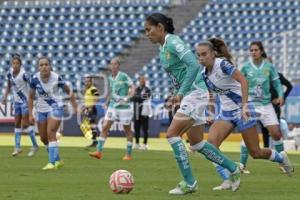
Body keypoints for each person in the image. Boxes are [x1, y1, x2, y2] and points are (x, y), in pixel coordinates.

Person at [144, 13, 241, 195]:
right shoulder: (162, 48)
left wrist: (181, 93)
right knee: (196, 143)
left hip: (195, 93)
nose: (147, 34)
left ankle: (189, 182)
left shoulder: (173, 41)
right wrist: (174, 94)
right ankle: (233, 169)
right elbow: (179, 74)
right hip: (191, 94)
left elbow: (194, 66)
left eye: (148, 29)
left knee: (172, 134)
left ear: (160, 27)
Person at [196, 38, 294, 190]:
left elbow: (243, 80)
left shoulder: (222, 64)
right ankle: (228, 179)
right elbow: (211, 95)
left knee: (256, 152)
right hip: (226, 113)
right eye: (199, 55)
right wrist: (210, 113)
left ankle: (281, 157)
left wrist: (245, 106)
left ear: (213, 54)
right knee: (211, 146)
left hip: (243, 110)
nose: (201, 58)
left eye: (204, 54)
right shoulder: (203, 73)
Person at [239, 41, 288, 173]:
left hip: (266, 105)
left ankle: (283, 162)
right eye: (251, 50)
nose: (253, 52)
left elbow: (277, 83)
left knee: (276, 134)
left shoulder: (269, 67)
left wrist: (281, 96)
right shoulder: (245, 68)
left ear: (261, 51)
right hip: (251, 105)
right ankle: (242, 166)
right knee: (248, 135)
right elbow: (239, 84)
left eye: (255, 50)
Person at [28, 56, 78, 170]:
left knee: (51, 133)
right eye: (41, 65)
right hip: (41, 109)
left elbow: (68, 91)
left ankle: (51, 163)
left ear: (50, 66)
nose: (44, 67)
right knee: (43, 138)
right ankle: (58, 160)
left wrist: (76, 107)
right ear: (38, 67)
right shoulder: (34, 79)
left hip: (55, 107)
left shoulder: (56, 78)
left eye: (46, 64)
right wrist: (30, 114)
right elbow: (30, 97)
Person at [89, 57, 135, 160]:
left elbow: (133, 87)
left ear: (118, 66)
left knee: (127, 130)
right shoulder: (110, 78)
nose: (113, 66)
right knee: (105, 126)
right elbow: (112, 92)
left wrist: (128, 97)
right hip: (113, 106)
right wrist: (106, 102)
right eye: (111, 64)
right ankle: (99, 151)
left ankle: (128, 154)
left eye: (115, 64)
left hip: (124, 107)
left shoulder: (123, 76)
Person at [2, 54, 39, 157]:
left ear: (20, 64)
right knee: (17, 123)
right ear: (11, 64)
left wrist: (33, 97)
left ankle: (35, 145)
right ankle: (17, 147)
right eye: (13, 63)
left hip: (25, 101)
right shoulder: (10, 72)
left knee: (26, 124)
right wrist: (5, 96)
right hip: (16, 101)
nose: (15, 65)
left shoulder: (24, 75)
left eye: (17, 63)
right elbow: (9, 85)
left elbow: (33, 85)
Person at [260, 56, 293, 148]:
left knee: (275, 129)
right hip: (263, 105)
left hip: (274, 106)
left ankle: (279, 150)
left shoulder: (278, 75)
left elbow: (289, 86)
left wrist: (282, 98)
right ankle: (266, 149)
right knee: (264, 128)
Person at [131, 75, 152, 150]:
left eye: (144, 80)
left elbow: (143, 97)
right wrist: (137, 97)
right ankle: (137, 143)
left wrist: (137, 97)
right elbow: (132, 98)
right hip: (136, 111)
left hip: (144, 112)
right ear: (139, 81)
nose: (142, 81)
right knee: (136, 128)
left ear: (146, 81)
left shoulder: (148, 89)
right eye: (141, 79)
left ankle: (145, 144)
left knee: (145, 129)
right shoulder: (136, 89)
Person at [82, 76, 100, 148]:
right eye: (85, 81)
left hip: (92, 109)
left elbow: (96, 99)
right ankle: (94, 141)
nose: (86, 83)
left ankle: (95, 141)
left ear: (91, 82)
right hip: (88, 109)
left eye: (87, 81)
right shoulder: (87, 90)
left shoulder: (93, 89)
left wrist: (91, 107)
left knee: (91, 125)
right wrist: (84, 108)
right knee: (89, 125)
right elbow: (87, 101)